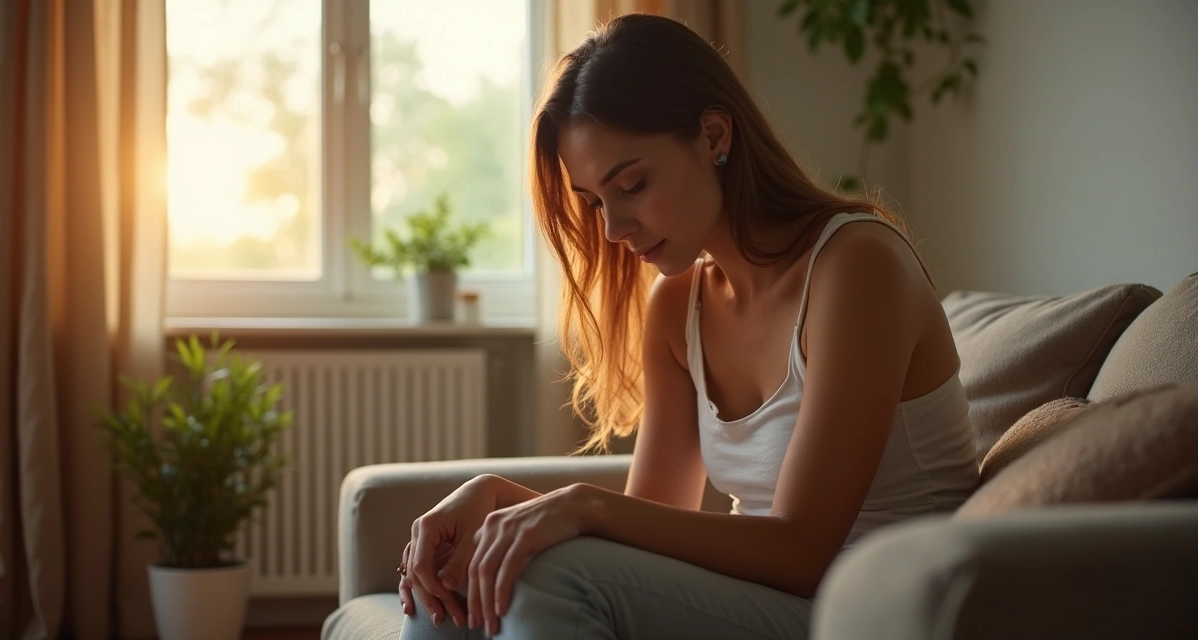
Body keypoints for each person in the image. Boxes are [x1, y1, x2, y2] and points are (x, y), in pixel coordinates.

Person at [396, 13, 979, 640]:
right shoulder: (678, 306)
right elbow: (650, 522)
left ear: (713, 135)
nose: (613, 229)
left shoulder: (859, 266)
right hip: (764, 603)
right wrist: (495, 498)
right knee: (459, 576)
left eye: (632, 184)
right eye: (594, 202)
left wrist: (579, 506)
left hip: (870, 612)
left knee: (546, 575)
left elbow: (801, 551)